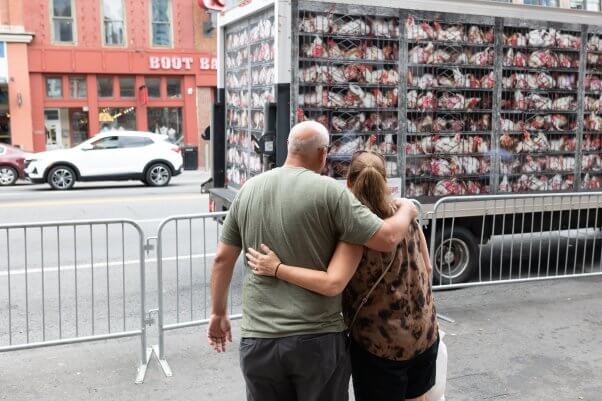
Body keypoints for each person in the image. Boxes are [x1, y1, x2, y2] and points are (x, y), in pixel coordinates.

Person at [208, 121, 418, 401]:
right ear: (323, 154)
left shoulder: (249, 190)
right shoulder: (332, 193)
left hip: (259, 339)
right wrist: (408, 208)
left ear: (287, 148)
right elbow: (386, 238)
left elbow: (222, 259)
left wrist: (218, 313)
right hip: (317, 340)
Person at [247, 150, 439, 401]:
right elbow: (427, 267)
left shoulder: (355, 230)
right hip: (424, 335)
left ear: (348, 182)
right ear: (385, 180)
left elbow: (332, 283)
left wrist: (276, 268)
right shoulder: (406, 216)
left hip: (381, 346)